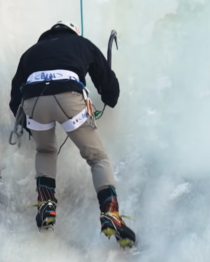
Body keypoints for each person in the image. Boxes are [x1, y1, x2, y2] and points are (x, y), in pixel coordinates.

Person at [9, 21, 135, 247]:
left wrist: (28, 126)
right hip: (69, 95)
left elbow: (14, 96)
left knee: (45, 150)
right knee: (97, 158)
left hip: (33, 100)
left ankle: (46, 206)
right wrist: (109, 98)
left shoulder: (30, 53)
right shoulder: (81, 43)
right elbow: (106, 80)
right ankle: (110, 214)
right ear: (72, 32)